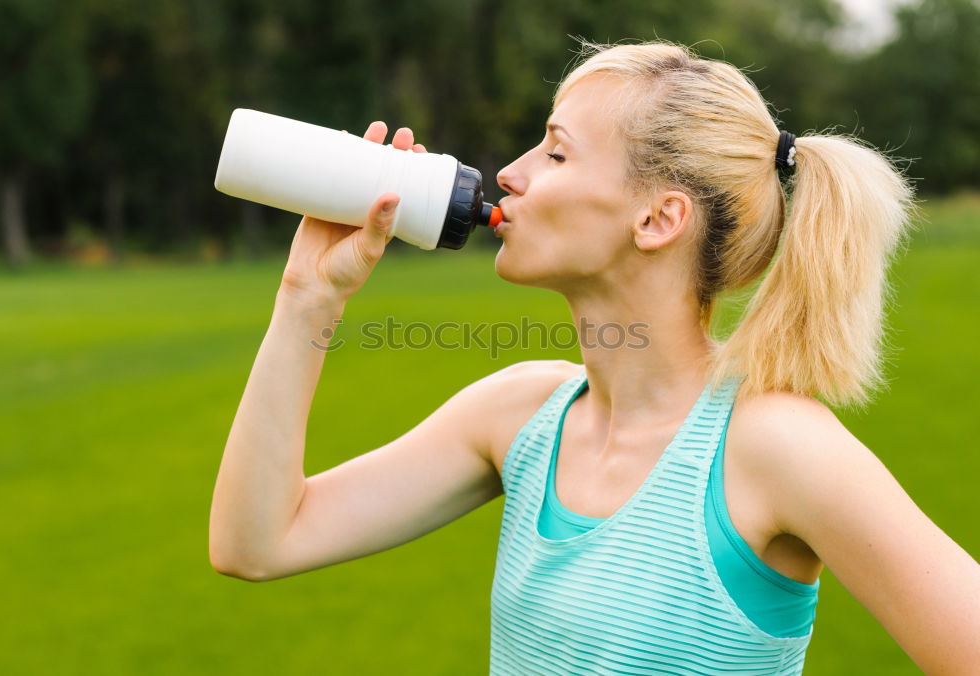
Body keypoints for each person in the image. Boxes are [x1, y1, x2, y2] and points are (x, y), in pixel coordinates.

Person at [209, 39, 980, 674]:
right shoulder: (518, 415)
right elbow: (258, 542)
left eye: (555, 153)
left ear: (657, 218)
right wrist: (307, 295)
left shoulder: (774, 448)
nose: (510, 173)